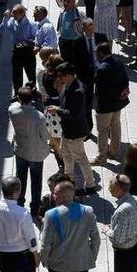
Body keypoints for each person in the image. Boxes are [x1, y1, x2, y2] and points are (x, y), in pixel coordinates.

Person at [47, 63, 97, 194]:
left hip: (75, 132)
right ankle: (69, 180)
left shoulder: (78, 91)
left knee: (80, 158)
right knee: (66, 155)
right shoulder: (68, 85)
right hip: (67, 130)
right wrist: (49, 100)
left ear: (68, 75)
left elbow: (74, 113)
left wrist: (58, 110)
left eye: (60, 76)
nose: (59, 79)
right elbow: (63, 99)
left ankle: (90, 185)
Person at [8, 87, 50, 213]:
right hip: (36, 152)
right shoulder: (39, 117)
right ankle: (35, 206)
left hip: (20, 149)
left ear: (19, 98)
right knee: (36, 179)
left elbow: (15, 103)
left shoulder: (12, 110)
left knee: (20, 177)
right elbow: (46, 136)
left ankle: (19, 202)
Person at [92, 42, 129, 164]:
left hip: (105, 106)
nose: (96, 55)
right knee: (116, 127)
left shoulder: (101, 68)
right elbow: (125, 80)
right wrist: (122, 93)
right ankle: (114, 152)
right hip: (118, 103)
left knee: (102, 131)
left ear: (102, 53)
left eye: (97, 53)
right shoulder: (119, 62)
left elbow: (101, 90)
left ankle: (101, 157)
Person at [0, 5, 38, 97]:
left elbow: (36, 39)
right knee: (16, 74)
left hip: (28, 51)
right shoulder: (12, 21)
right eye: (12, 12)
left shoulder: (31, 24)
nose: (12, 15)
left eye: (15, 13)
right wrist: (5, 18)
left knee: (31, 73)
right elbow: (2, 30)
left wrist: (27, 43)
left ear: (22, 14)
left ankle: (33, 93)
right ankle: (17, 94)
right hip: (17, 50)